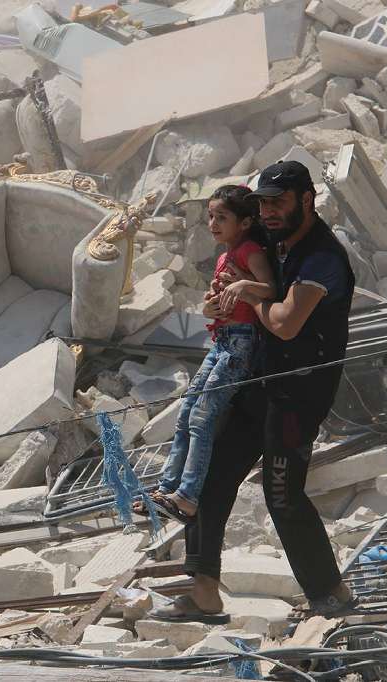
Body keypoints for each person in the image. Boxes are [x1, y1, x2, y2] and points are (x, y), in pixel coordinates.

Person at [147, 160, 358, 624]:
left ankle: (332, 595)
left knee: (282, 494)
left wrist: (249, 294)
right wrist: (225, 294)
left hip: (297, 394)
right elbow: (236, 284)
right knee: (211, 477)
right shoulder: (270, 240)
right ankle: (204, 592)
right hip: (256, 380)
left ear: (307, 199)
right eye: (262, 203)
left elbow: (284, 324)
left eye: (278, 202)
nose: (269, 212)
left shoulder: (322, 257)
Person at [149, 185, 274, 524]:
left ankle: (187, 497)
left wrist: (242, 285)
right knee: (187, 410)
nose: (214, 224)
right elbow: (214, 306)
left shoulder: (251, 252)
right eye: (211, 217)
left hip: (241, 343)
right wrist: (210, 306)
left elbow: (272, 290)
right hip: (221, 339)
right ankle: (165, 489)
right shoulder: (223, 257)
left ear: (245, 222)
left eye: (222, 217)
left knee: (203, 416)